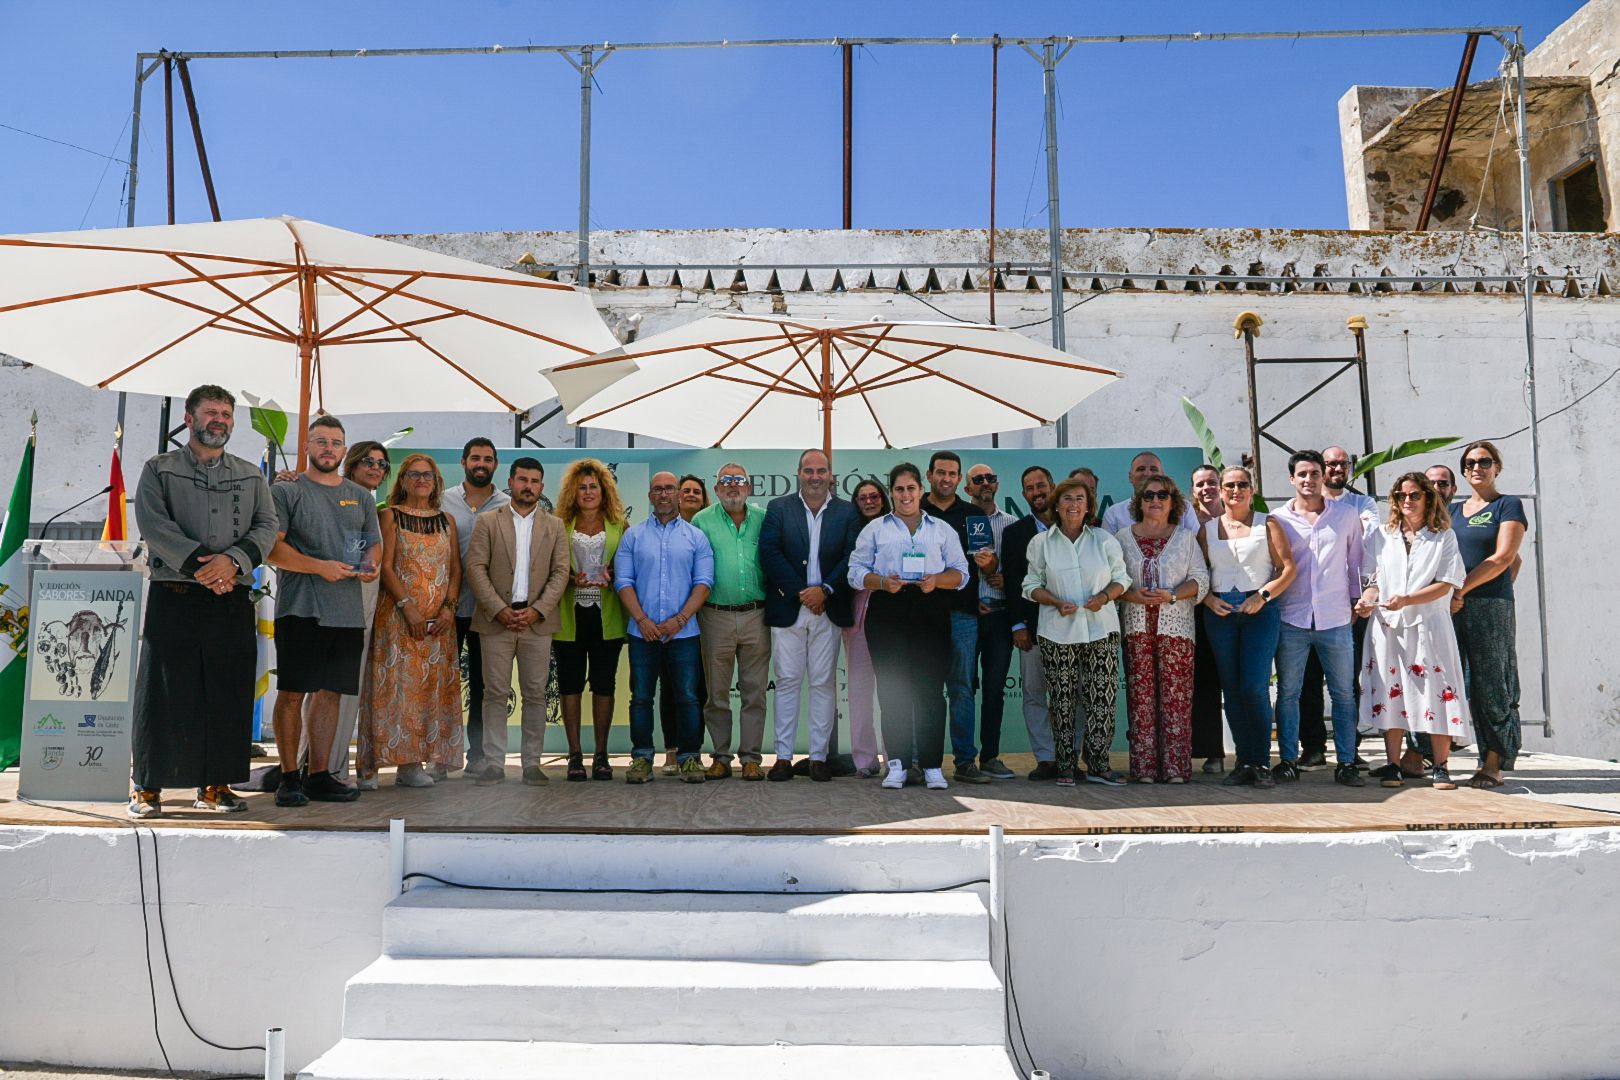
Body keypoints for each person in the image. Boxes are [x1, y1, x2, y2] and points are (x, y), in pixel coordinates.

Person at [128, 385, 279, 818]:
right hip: (175, 595)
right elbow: (154, 524)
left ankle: (215, 786)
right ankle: (148, 788)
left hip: (231, 597)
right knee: (164, 692)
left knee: (227, 692)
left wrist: (232, 563)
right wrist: (205, 568)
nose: (220, 420)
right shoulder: (159, 469)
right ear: (189, 419)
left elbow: (266, 526)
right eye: (211, 412)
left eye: (226, 414)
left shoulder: (251, 475)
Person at [267, 415, 379, 806]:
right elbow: (273, 549)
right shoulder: (287, 490)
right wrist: (319, 567)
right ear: (307, 447)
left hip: (346, 612)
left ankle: (318, 775)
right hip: (301, 609)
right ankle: (288, 778)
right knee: (292, 693)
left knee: (330, 695)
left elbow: (372, 543)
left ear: (344, 450)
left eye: (335, 442)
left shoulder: (361, 496)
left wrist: (372, 564)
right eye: (321, 441)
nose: (328, 449)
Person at [849, 463, 968, 791]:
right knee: (892, 692)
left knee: (930, 692)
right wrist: (882, 582)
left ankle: (932, 766)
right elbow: (855, 573)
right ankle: (898, 765)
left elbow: (961, 573)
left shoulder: (941, 529)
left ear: (921, 491)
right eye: (899, 489)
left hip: (930, 609)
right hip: (888, 610)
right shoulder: (875, 529)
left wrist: (937, 581)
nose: (905, 495)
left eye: (911, 489)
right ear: (892, 493)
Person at [356, 454, 464, 789]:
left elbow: (456, 570)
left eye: (427, 475)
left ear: (436, 481)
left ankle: (411, 765)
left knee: (425, 693)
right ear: (402, 480)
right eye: (414, 475)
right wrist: (408, 607)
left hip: (438, 625)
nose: (421, 480)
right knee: (390, 690)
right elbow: (385, 566)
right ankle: (370, 767)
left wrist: (448, 609)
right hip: (397, 618)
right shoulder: (389, 516)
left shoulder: (447, 520)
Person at [1357, 473, 1471, 791]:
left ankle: (1441, 766)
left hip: (1429, 624)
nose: (1407, 500)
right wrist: (1367, 601)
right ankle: (1393, 764)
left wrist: (1407, 599)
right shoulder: (1381, 535)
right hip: (1388, 625)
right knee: (1390, 691)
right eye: (1400, 495)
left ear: (1427, 498)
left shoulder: (1443, 536)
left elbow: (1446, 583)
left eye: (1414, 495)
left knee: (1439, 690)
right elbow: (1372, 580)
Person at [464, 458, 570, 786]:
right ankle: (494, 763)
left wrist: (538, 610)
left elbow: (561, 572)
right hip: (496, 621)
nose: (528, 486)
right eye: (523, 479)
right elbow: (475, 568)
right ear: (511, 482)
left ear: (541, 487)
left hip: (536, 623)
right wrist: (498, 609)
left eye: (535, 481)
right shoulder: (488, 521)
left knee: (536, 694)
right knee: (495, 693)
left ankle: (532, 763)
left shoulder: (555, 526)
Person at [760, 449, 863, 782]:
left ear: (830, 475)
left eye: (821, 471)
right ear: (798, 473)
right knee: (787, 682)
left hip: (828, 609)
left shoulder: (847, 511)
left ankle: (818, 757)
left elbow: (852, 555)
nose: (815, 477)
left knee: (822, 682)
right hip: (789, 607)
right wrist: (801, 592)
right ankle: (783, 758)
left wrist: (825, 590)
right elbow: (769, 552)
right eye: (809, 470)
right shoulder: (779, 508)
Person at [1021, 476, 1132, 786]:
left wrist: (1105, 597)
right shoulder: (1041, 543)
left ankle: (1098, 765)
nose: (1073, 504)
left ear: (1088, 506)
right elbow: (1030, 585)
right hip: (1057, 632)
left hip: (1101, 630)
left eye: (1080, 499)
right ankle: (1066, 766)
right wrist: (1054, 601)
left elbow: (1122, 579)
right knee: (1062, 701)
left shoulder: (1104, 540)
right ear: (1056, 505)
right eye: (1067, 498)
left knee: (1102, 699)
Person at [1271, 449, 1366, 787]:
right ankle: (1287, 761)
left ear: (1323, 476)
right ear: (1291, 479)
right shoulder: (1277, 519)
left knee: (1343, 694)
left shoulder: (1346, 515)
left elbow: (1357, 562)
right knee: (1288, 693)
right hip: (1292, 618)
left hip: (1336, 618)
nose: (1309, 479)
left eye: (1314, 473)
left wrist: (1356, 601)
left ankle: (1347, 762)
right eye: (1302, 474)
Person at [297, 441, 391, 782]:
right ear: (351, 463)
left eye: (382, 464)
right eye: (369, 461)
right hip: (330, 605)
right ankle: (314, 768)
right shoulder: (335, 497)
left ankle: (329, 768)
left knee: (342, 692)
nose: (376, 468)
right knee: (322, 691)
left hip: (361, 606)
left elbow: (364, 557)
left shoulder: (368, 504)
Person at [616, 471, 715, 784]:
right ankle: (642, 758)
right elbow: (623, 581)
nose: (663, 494)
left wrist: (680, 619)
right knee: (641, 698)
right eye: (657, 489)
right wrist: (642, 620)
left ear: (678, 495)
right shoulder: (633, 537)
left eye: (669, 488)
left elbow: (704, 583)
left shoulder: (696, 537)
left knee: (688, 698)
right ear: (650, 496)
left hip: (684, 634)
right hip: (642, 633)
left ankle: (689, 758)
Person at [1200, 466, 1296, 789]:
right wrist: (1208, 600)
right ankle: (1243, 761)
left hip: (1259, 610)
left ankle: (1261, 761)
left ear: (1251, 489)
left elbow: (1287, 568)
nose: (1235, 490)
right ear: (1221, 491)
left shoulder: (1268, 524)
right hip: (1221, 613)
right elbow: (1198, 573)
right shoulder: (1208, 529)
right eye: (1229, 485)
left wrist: (1263, 596)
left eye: (1242, 484)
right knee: (1231, 689)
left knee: (1254, 687)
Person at [1117, 475, 1209, 783]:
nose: (1155, 500)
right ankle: (1144, 768)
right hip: (1136, 629)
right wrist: (1132, 595)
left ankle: (1175, 769)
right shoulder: (1121, 538)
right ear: (1139, 501)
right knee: (1141, 699)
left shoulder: (1185, 538)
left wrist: (1171, 595)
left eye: (1162, 495)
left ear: (1173, 502)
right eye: (1148, 495)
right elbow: (1113, 580)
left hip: (1176, 630)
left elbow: (1201, 580)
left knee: (1176, 699)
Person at [1450, 440, 1528, 789]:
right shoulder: (1452, 510)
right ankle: (1427, 756)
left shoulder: (1507, 505)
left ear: (1497, 467)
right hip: (1450, 605)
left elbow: (1506, 557)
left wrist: (1464, 590)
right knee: (1445, 679)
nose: (1477, 468)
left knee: (1492, 684)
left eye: (1484, 461)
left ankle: (1493, 761)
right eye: (1470, 463)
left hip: (1487, 606)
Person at [691, 463, 770, 781]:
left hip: (757, 615)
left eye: (739, 480)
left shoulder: (764, 519)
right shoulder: (701, 520)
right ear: (716, 488)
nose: (733, 485)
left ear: (749, 487)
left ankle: (751, 758)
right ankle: (721, 757)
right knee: (717, 694)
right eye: (726, 480)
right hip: (715, 616)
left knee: (755, 693)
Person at [552, 458, 628, 782]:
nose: (587, 492)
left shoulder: (619, 525)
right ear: (573, 491)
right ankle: (574, 755)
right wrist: (569, 579)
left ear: (604, 490)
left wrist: (615, 574)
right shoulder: (559, 525)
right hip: (569, 615)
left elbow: (630, 568)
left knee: (604, 684)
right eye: (581, 487)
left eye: (593, 487)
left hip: (606, 614)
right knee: (569, 684)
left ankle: (601, 754)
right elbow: (550, 568)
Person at [440, 438, 510, 777]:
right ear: (464, 461)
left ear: (495, 465)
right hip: (445, 606)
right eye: (475, 458)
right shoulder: (442, 500)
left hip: (489, 609)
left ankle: (479, 754)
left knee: (485, 685)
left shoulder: (508, 506)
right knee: (442, 683)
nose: (481, 464)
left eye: (487, 459)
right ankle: (440, 756)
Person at [921, 450, 990, 785]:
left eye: (952, 474)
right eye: (941, 472)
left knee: (962, 689)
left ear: (960, 479)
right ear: (929, 475)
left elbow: (988, 562)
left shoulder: (974, 514)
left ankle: (965, 762)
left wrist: (989, 562)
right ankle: (923, 761)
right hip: (922, 612)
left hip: (963, 613)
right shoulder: (915, 509)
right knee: (925, 689)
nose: (946, 478)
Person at [1000, 466, 1060, 780]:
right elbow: (1012, 583)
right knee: (1035, 694)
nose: (1037, 492)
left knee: (1073, 695)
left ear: (1053, 486)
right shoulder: (1014, 533)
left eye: (1041, 485)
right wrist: (1017, 625)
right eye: (1030, 488)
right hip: (1032, 627)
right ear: (1023, 494)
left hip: (1072, 626)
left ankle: (1069, 756)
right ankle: (1046, 758)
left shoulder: (1076, 524)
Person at [966, 463, 1020, 780]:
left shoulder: (1012, 525)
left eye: (990, 478)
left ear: (997, 485)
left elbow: (1024, 572)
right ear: (967, 488)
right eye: (978, 479)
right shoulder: (958, 521)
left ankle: (990, 757)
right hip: (966, 617)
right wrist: (969, 599)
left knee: (994, 690)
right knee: (962, 689)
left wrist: (1007, 579)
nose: (985, 483)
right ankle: (963, 759)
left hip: (1000, 616)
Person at [658, 474, 712, 771]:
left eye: (697, 492)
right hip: (670, 624)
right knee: (669, 686)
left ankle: (692, 752)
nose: (691, 495)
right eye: (686, 490)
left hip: (704, 621)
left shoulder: (708, 532)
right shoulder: (659, 531)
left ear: (704, 500)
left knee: (696, 690)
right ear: (677, 496)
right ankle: (671, 750)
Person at [843, 477, 890, 778]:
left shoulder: (897, 528)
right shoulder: (849, 531)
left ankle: (895, 756)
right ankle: (864, 760)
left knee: (892, 690)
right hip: (857, 618)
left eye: (874, 496)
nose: (869, 501)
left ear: (883, 499)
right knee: (860, 691)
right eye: (863, 498)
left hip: (891, 618)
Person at [1188, 464, 1227, 775]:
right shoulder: (1185, 520)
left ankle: (1251, 753)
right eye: (1200, 484)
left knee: (1240, 684)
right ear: (1193, 490)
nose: (1206, 489)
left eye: (1212, 482)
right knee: (1205, 682)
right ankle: (1212, 752)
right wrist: (1206, 599)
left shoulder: (1240, 517)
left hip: (1240, 607)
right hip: (1199, 608)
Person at [1099, 452, 1198, 535]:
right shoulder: (1114, 514)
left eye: (1153, 469)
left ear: (1162, 475)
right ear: (1130, 477)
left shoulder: (1184, 508)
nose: (1147, 474)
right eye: (1141, 469)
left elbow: (1195, 545)